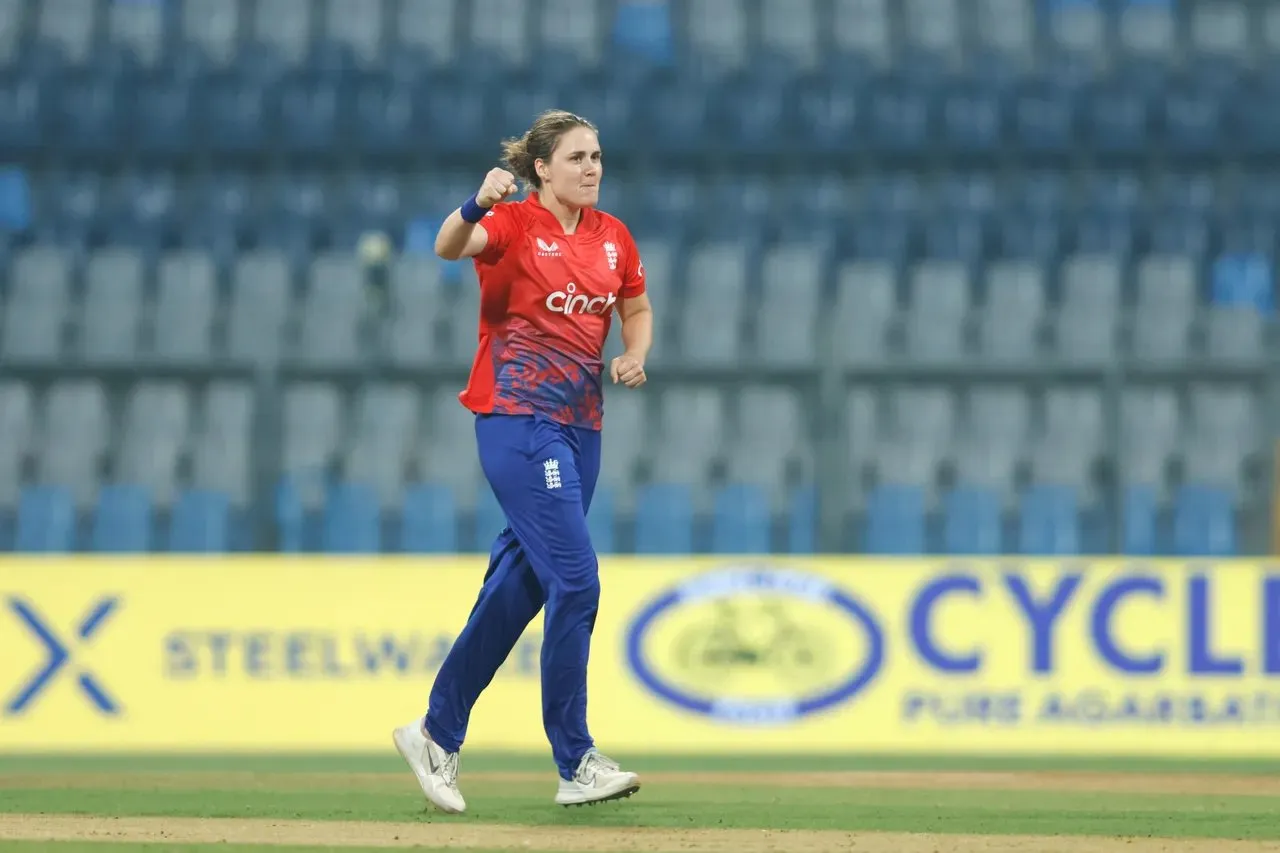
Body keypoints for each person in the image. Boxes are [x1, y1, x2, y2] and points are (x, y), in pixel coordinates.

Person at [393, 110, 653, 814]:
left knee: (522, 586)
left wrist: (634, 353)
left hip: (580, 428)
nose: (592, 167)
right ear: (543, 167)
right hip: (517, 419)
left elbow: (636, 304)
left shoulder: (612, 237)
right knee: (577, 579)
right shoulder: (513, 225)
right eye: (576, 157)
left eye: (597, 155)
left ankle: (434, 731)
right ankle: (575, 759)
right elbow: (451, 245)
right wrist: (478, 201)